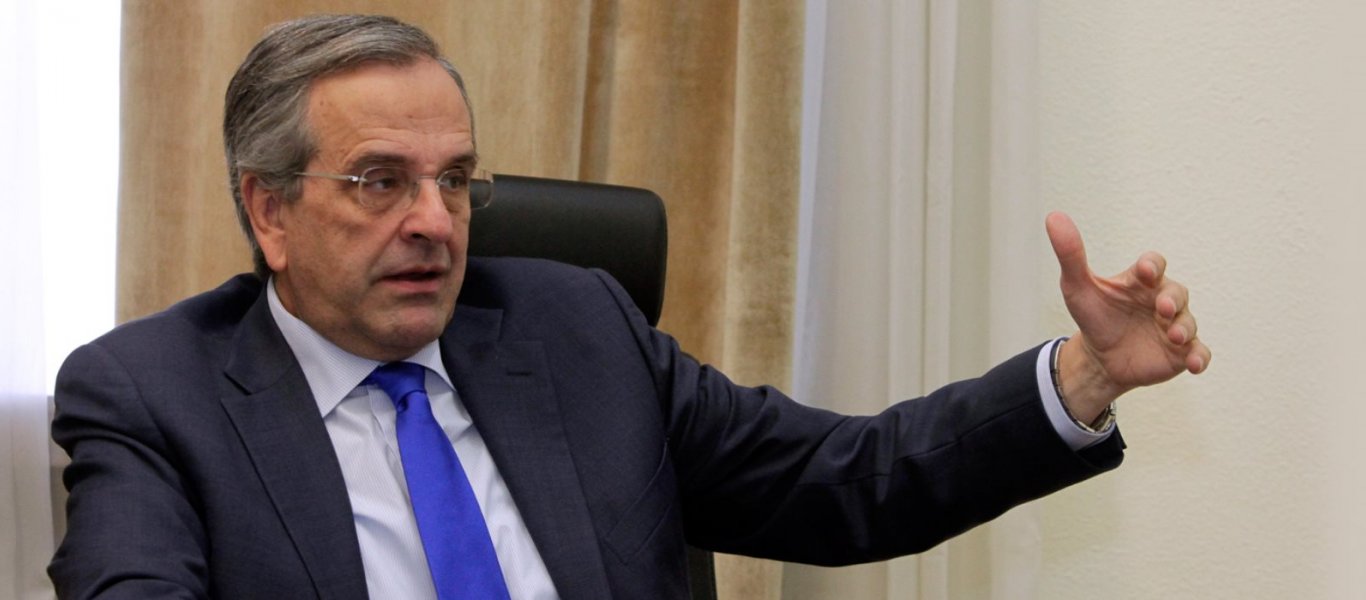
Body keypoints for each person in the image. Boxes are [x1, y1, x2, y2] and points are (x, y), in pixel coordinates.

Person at [48, 14, 1210, 600]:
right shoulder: (152, 395)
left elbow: (846, 481)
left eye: (454, 181)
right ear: (269, 209)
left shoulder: (574, 331)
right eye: (380, 182)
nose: (435, 222)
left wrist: (1082, 378)